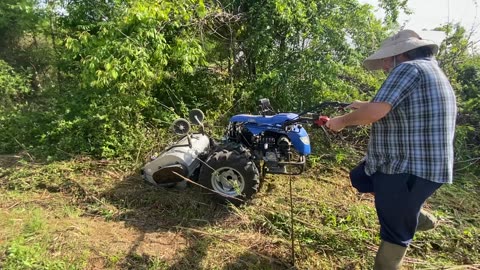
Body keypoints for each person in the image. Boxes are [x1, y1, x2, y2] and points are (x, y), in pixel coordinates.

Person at [325, 29, 457, 269]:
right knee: (360, 177)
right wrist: (363, 105)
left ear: (402, 55)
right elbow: (398, 107)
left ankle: (403, 226)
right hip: (425, 167)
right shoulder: (430, 70)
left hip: (408, 168)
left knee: (394, 234)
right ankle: (413, 214)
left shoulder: (408, 69)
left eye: (387, 58)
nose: (385, 65)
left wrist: (341, 121)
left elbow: (376, 113)